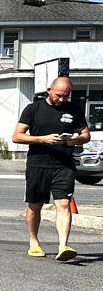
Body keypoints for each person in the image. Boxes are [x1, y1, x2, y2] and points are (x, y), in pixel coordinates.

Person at [12, 76, 91, 261]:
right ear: (49, 90)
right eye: (59, 95)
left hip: (64, 165)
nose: (62, 99)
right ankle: (34, 242)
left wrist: (77, 139)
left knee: (63, 204)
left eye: (66, 95)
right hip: (38, 164)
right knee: (35, 205)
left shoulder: (74, 109)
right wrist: (42, 139)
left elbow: (86, 134)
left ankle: (63, 246)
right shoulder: (33, 109)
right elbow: (17, 136)